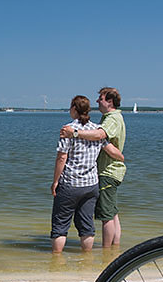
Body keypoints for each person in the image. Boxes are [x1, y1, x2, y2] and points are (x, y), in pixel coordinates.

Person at [50, 95, 123, 254]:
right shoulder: (96, 130)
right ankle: (87, 260)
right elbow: (111, 150)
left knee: (60, 226)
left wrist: (55, 181)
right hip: (91, 185)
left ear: (74, 109)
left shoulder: (67, 130)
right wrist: (122, 158)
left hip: (70, 184)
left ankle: (56, 262)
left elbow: (62, 157)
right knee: (86, 226)